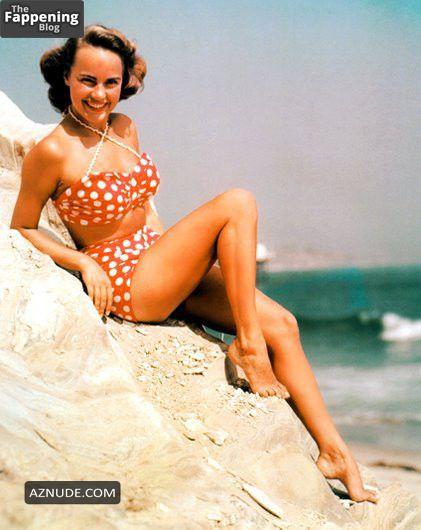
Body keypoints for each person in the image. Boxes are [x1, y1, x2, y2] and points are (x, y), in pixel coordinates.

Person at [10, 24, 378, 504]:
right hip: (127, 281)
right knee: (238, 202)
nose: (99, 94)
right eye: (87, 81)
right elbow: (23, 226)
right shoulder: (52, 151)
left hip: (158, 261)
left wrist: (178, 254)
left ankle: (335, 453)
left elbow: (142, 207)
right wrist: (81, 263)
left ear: (123, 83)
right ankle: (248, 347)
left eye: (111, 83)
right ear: (65, 79)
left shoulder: (124, 128)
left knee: (284, 324)